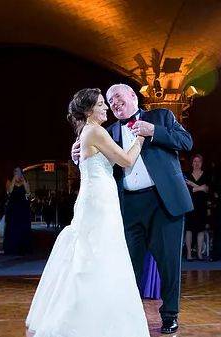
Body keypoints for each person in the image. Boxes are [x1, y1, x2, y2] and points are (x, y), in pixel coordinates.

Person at [26, 88, 150, 337]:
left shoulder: (88, 132)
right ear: (89, 110)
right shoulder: (95, 130)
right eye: (102, 103)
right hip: (99, 199)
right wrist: (141, 139)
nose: (106, 107)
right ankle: (92, 319)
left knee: (94, 251)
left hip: (97, 196)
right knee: (100, 251)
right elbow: (126, 161)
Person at [71, 83, 193, 334]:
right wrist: (79, 155)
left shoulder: (161, 116)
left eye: (116, 97)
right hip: (127, 205)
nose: (113, 103)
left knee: (169, 263)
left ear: (133, 97)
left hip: (164, 203)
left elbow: (186, 141)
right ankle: (130, 317)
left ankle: (170, 315)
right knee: (128, 265)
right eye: (109, 101)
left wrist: (154, 131)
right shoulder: (108, 131)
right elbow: (100, 163)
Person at [184, 154, 209, 261]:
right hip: (190, 206)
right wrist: (200, 187)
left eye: (199, 161)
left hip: (202, 206)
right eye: (194, 161)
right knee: (189, 229)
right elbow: (186, 191)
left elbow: (207, 189)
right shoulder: (186, 175)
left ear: (202, 163)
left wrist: (193, 186)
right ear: (192, 163)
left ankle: (199, 254)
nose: (197, 163)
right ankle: (189, 254)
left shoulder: (206, 175)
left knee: (200, 230)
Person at [3, 167, 32, 255]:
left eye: (19, 171)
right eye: (16, 171)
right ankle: (12, 248)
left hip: (23, 207)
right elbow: (9, 191)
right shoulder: (9, 181)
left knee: (23, 227)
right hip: (13, 207)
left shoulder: (25, 181)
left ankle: (23, 249)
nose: (18, 173)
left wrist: (24, 182)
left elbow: (28, 193)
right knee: (12, 227)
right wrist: (13, 180)